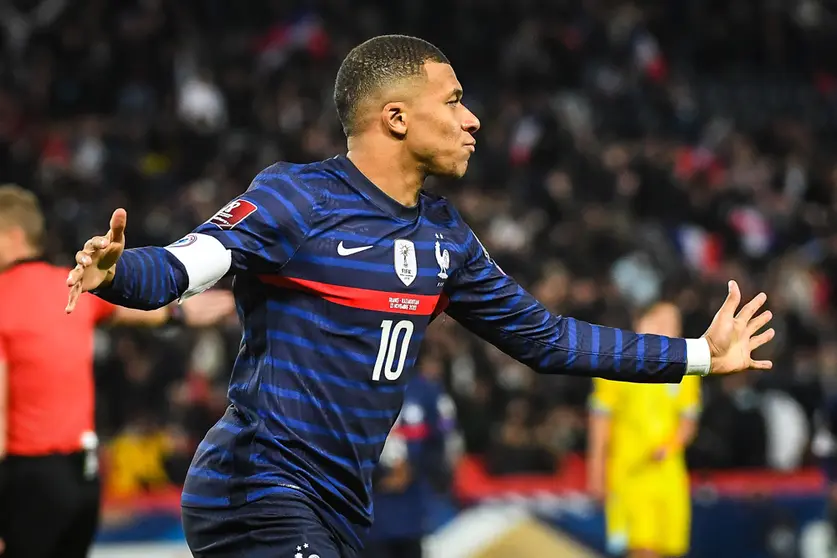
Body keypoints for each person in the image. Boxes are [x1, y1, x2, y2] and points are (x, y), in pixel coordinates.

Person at [64, 35, 775, 558]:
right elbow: (193, 262)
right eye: (455, 101)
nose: (473, 121)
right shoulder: (298, 197)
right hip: (258, 491)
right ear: (395, 117)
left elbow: (546, 340)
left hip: (340, 509)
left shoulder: (446, 239)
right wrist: (121, 273)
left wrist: (698, 355)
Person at [0, 184, 235, 558]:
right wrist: (190, 310)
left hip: (27, 478)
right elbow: (147, 313)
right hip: (83, 479)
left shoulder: (5, 296)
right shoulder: (70, 285)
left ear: (12, 236)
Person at [587, 302, 700, 558]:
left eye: (674, 324)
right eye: (660, 321)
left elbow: (688, 421)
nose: (668, 329)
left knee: (670, 549)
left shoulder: (686, 370)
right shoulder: (615, 365)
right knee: (641, 550)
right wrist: (596, 471)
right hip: (630, 474)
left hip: (669, 477)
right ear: (641, 322)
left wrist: (670, 446)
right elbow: (600, 422)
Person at [364, 357, 458, 558]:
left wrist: (412, 469)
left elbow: (440, 444)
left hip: (412, 513)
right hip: (370, 515)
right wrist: (378, 476)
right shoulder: (357, 388)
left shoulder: (426, 391)